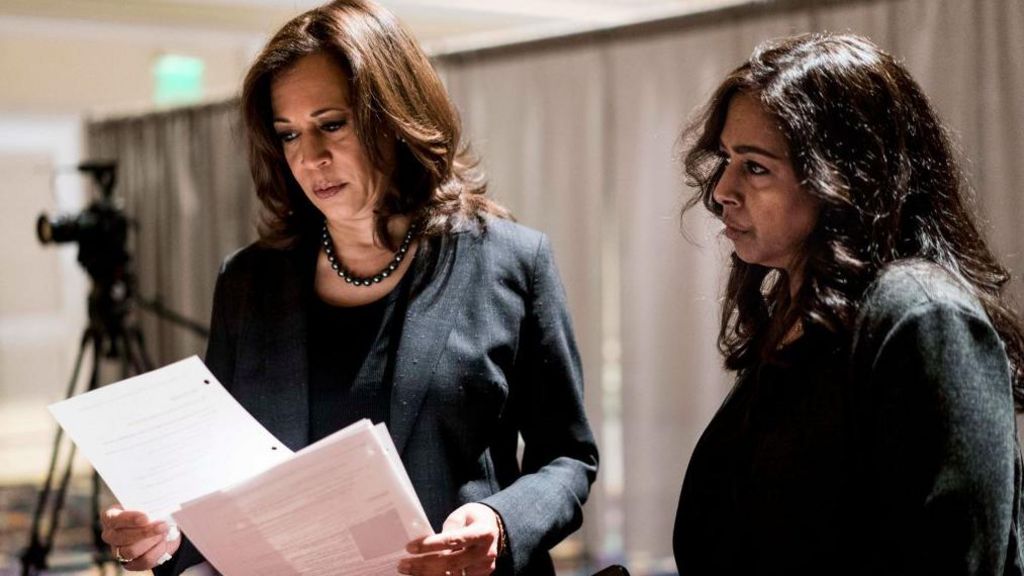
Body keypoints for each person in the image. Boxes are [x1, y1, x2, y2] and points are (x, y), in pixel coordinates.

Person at [97, 1, 598, 574]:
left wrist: (500, 524)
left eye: (332, 124)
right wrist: (164, 531)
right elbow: (221, 488)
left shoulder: (510, 261)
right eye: (288, 135)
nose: (310, 158)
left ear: (395, 117)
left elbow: (567, 458)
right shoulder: (249, 282)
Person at [673, 32, 1024, 574]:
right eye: (726, 158)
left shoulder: (922, 315)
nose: (721, 190)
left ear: (843, 177)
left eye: (756, 166)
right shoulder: (798, 322)